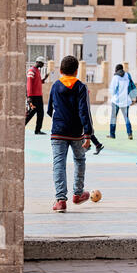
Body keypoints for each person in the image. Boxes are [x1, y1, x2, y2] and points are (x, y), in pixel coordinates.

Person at [47, 55, 93, 212]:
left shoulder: (55, 86)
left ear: (60, 70)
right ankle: (78, 194)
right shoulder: (81, 87)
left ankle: (60, 200)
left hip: (58, 132)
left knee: (59, 163)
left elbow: (49, 110)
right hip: (76, 133)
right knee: (79, 159)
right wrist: (87, 134)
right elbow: (84, 111)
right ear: (76, 71)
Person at [107, 64, 137, 140]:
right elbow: (132, 85)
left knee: (113, 117)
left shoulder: (115, 77)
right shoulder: (127, 75)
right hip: (126, 100)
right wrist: (134, 97)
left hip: (116, 100)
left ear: (116, 70)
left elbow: (112, 90)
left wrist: (113, 95)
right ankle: (130, 134)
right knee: (126, 118)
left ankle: (112, 134)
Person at [25, 56, 49, 134]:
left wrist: (44, 79)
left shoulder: (37, 71)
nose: (42, 65)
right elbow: (29, 85)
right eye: (42, 64)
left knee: (40, 113)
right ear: (38, 62)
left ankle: (38, 130)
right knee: (31, 113)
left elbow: (37, 82)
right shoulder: (31, 71)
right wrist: (29, 97)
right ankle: (20, 127)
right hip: (33, 97)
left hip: (38, 96)